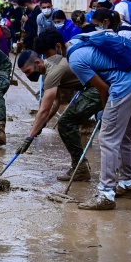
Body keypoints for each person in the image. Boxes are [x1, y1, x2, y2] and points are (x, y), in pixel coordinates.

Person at [67, 27, 131, 210]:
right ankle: (127, 184)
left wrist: (105, 110)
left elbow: (103, 89)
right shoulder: (83, 40)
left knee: (107, 139)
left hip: (122, 88)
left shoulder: (74, 60)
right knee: (124, 137)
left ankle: (106, 195)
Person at [17, 29, 103, 181]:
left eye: (28, 71)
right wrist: (41, 125)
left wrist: (29, 137)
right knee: (66, 121)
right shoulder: (49, 66)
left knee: (65, 123)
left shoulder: (52, 72)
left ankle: (80, 169)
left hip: (97, 88)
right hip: (93, 86)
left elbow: (43, 110)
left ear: (37, 63)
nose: (28, 76)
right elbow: (55, 103)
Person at [92, 8, 131, 151]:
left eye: (97, 24)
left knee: (128, 99)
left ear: (106, 22)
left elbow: (124, 56)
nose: (97, 28)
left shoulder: (121, 32)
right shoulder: (118, 29)